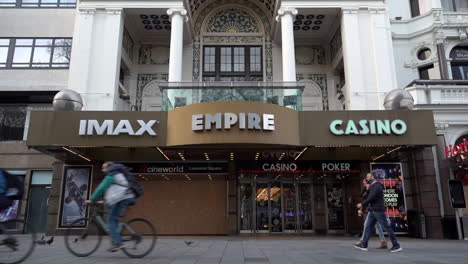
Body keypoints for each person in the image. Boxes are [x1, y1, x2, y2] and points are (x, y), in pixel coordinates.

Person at [85, 162, 135, 252]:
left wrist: (92, 199)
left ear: (109, 167)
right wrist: (102, 201)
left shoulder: (112, 173)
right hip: (123, 197)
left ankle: (118, 243)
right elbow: (112, 191)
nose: (102, 170)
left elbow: (101, 188)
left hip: (124, 198)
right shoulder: (115, 174)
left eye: (103, 168)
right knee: (113, 219)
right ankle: (116, 240)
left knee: (110, 219)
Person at [354, 172, 402, 253]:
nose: (367, 178)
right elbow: (368, 196)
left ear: (373, 177)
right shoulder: (373, 186)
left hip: (378, 210)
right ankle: (364, 244)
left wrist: (362, 204)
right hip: (373, 210)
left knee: (386, 227)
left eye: (368, 177)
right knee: (368, 227)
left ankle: (396, 245)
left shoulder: (377, 186)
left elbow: (372, 197)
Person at [354, 178, 387, 249]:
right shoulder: (366, 189)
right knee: (378, 226)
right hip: (371, 209)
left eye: (364, 183)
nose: (363, 184)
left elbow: (370, 199)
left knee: (367, 225)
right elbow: (364, 198)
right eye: (363, 183)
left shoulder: (372, 189)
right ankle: (383, 241)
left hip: (375, 209)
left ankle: (362, 240)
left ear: (368, 183)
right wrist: (361, 209)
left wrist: (368, 190)